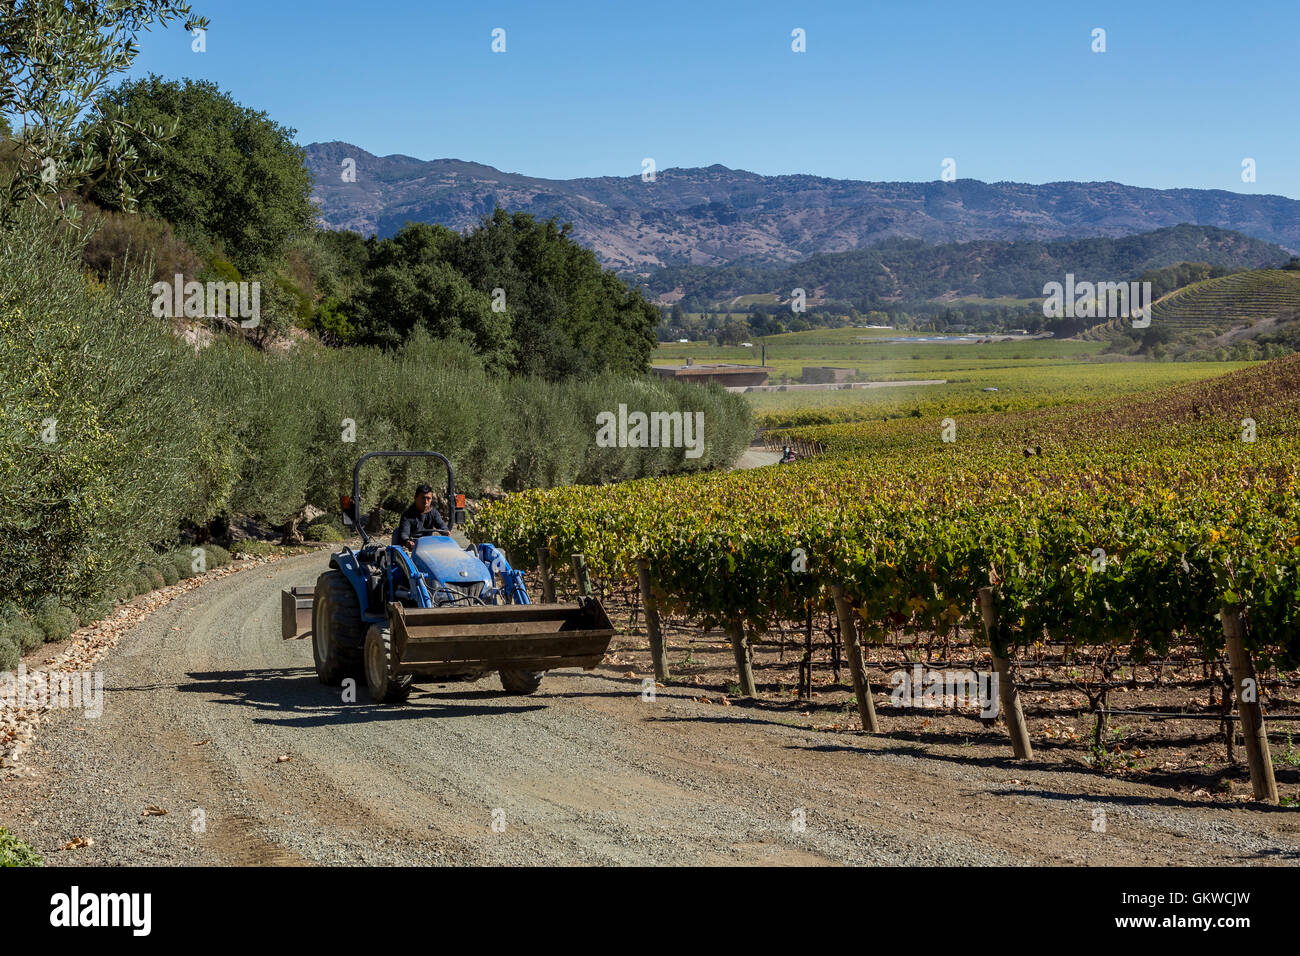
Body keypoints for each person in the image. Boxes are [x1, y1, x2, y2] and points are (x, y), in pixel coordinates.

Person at [393, 483, 448, 550]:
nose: (425, 501)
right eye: (423, 498)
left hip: (427, 546)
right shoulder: (407, 515)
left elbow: (441, 526)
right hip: (412, 547)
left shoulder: (434, 513)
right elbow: (404, 533)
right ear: (415, 498)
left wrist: (445, 531)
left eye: (428, 498)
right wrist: (408, 542)